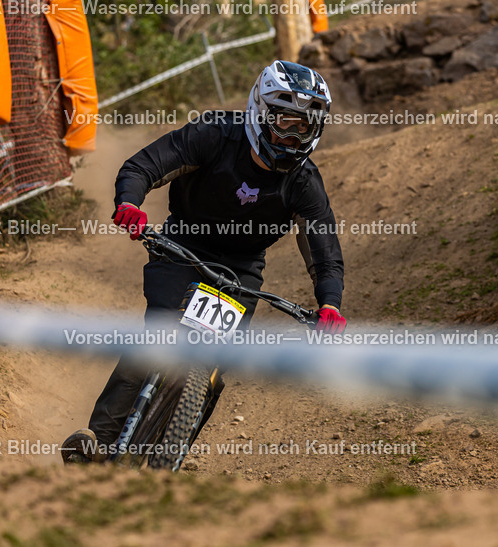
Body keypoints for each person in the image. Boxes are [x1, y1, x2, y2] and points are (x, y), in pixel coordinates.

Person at [62, 61, 348, 463]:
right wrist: (129, 202)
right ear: (262, 113)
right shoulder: (214, 134)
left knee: (213, 370)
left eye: (304, 127)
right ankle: (99, 440)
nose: (293, 134)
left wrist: (330, 303)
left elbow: (325, 247)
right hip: (183, 247)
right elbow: (145, 165)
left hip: (242, 270)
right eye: (286, 121)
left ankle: (171, 456)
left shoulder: (303, 181)